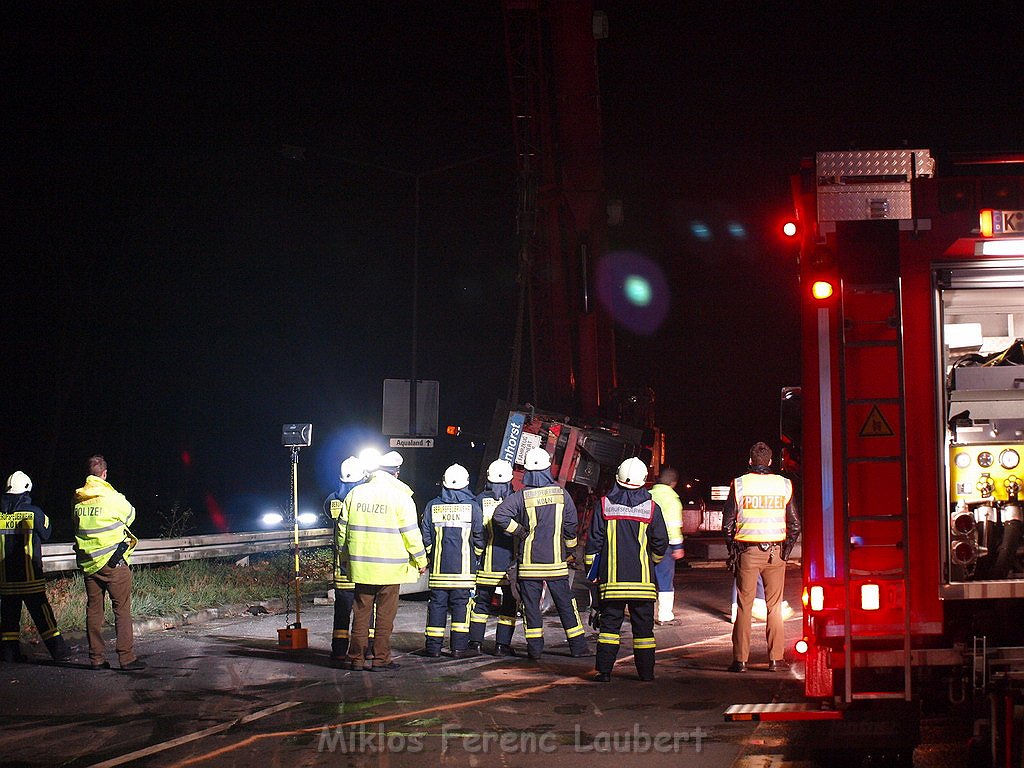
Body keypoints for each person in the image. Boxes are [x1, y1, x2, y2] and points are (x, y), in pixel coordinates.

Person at [492, 447, 589, 660]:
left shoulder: (521, 496)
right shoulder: (561, 494)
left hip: (529, 566)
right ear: (547, 469)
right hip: (555, 565)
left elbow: (499, 515)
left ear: (527, 471)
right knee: (566, 605)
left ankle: (535, 651)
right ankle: (578, 648)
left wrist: (519, 531)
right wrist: (570, 549)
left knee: (531, 608)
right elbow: (571, 525)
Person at [338, 450, 427, 671]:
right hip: (390, 569)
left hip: (362, 567)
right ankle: (380, 659)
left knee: (360, 614)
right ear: (396, 473)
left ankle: (356, 659)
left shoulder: (355, 494)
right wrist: (420, 560)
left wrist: (344, 558)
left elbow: (341, 531)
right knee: (385, 617)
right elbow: (411, 533)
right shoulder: (401, 497)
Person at [585, 458, 668, 682]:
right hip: (643, 584)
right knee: (644, 632)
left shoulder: (604, 505)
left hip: (612, 583)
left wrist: (592, 573)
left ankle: (604, 672)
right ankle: (646, 673)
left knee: (609, 629)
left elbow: (593, 544)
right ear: (644, 482)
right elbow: (661, 543)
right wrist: (652, 562)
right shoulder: (652, 508)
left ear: (618, 479)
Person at [722, 441, 800, 672]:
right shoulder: (784, 484)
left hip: (747, 552)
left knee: (745, 606)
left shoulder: (739, 484)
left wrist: (732, 551)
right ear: (769, 462)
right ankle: (775, 659)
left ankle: (740, 661)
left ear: (750, 462)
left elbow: (727, 525)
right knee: (774, 607)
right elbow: (795, 524)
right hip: (776, 553)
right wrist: (785, 552)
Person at [73, 455, 145, 670]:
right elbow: (131, 516)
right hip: (113, 563)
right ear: (104, 474)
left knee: (94, 611)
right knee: (121, 609)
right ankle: (126, 657)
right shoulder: (114, 498)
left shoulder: (77, 499)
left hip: (89, 563)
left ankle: (96, 658)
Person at [1, 471, 71, 663]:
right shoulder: (34, 512)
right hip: (30, 577)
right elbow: (47, 532)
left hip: (6, 579)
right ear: (26, 490)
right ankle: (59, 651)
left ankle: (9, 654)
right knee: (44, 617)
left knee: (8, 619)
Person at [419, 463, 484, 658]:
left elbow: (426, 536)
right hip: (463, 573)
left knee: (437, 607)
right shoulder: (473, 507)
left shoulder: (433, 506)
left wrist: (432, 554)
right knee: (460, 610)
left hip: (439, 571)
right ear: (466, 484)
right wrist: (476, 556)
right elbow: (479, 537)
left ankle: (433, 648)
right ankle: (458, 648)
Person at [323, 455, 371, 665]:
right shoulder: (365, 499)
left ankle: (339, 651)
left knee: (341, 613)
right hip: (363, 564)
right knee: (365, 611)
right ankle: (366, 651)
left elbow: (328, 518)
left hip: (340, 567)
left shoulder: (332, 500)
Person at [468, 459, 518, 656]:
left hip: (485, 564)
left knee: (482, 603)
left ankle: (475, 643)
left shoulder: (478, 500)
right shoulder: (516, 500)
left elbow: (475, 532)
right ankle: (501, 645)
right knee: (509, 604)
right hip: (509, 564)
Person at [649, 467, 684, 625]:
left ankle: (645, 614)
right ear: (673, 483)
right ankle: (664, 615)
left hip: (646, 543)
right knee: (664, 579)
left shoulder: (648, 495)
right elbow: (673, 526)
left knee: (647, 579)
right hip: (665, 546)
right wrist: (678, 547)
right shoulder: (673, 499)